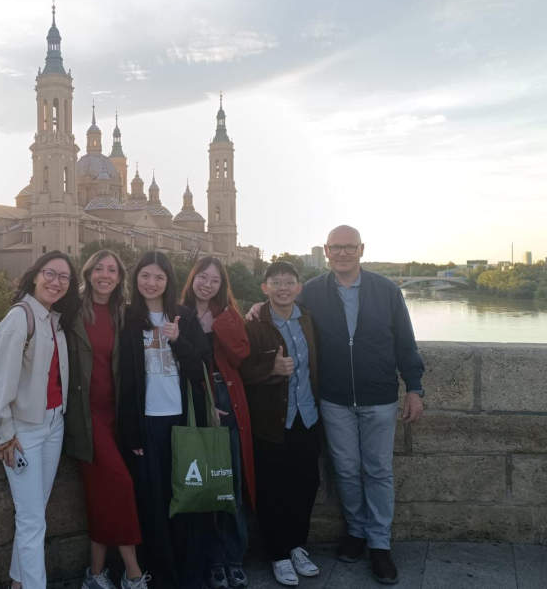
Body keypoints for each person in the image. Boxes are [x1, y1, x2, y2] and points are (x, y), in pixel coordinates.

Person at [299, 225, 425, 585]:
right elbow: (284, 317)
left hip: (380, 397)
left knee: (378, 471)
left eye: (349, 247)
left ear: (361, 249)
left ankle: (380, 545)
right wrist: (257, 308)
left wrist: (414, 388)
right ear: (326, 250)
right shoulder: (311, 292)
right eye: (336, 247)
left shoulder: (386, 290)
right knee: (347, 470)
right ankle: (355, 532)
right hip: (334, 398)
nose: (342, 253)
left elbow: (405, 342)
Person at [117, 251, 211, 589]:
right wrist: (131, 434)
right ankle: (161, 571)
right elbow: (124, 381)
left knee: (185, 497)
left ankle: (191, 572)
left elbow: (201, 367)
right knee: (152, 501)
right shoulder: (128, 318)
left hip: (181, 422)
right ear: (136, 279)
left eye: (158, 277)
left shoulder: (183, 316)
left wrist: (177, 340)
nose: (151, 283)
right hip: (146, 424)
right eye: (145, 276)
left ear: (168, 281)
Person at [0, 250, 80, 589]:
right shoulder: (20, 317)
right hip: (24, 432)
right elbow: (2, 383)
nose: (56, 282)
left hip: (54, 425)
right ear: (34, 276)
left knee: (34, 514)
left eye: (64, 278)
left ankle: (19, 582)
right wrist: (4, 435)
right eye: (50, 274)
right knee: (31, 520)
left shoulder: (53, 319)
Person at [63, 250, 149, 589]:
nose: (105, 275)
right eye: (98, 268)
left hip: (118, 418)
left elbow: (169, 316)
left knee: (102, 495)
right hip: (86, 418)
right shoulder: (71, 311)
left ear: (119, 277)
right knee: (121, 485)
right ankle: (133, 573)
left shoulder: (124, 314)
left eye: (112, 270)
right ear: (87, 273)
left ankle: (95, 575)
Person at [241, 261, 322, 587]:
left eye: (289, 282)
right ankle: (277, 554)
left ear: (299, 287)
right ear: (265, 288)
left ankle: (297, 546)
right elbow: (243, 372)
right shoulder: (254, 325)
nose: (283, 288)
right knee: (272, 489)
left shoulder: (308, 321)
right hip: (272, 423)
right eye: (276, 283)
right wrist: (271, 369)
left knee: (305, 485)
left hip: (308, 418)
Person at [180, 257, 253, 589]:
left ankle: (233, 558)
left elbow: (240, 356)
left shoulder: (228, 315)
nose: (207, 285)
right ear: (192, 278)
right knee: (198, 488)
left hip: (225, 399)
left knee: (229, 484)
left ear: (222, 286)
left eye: (214, 280)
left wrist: (218, 326)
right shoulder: (178, 313)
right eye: (202, 277)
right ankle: (210, 560)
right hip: (193, 402)